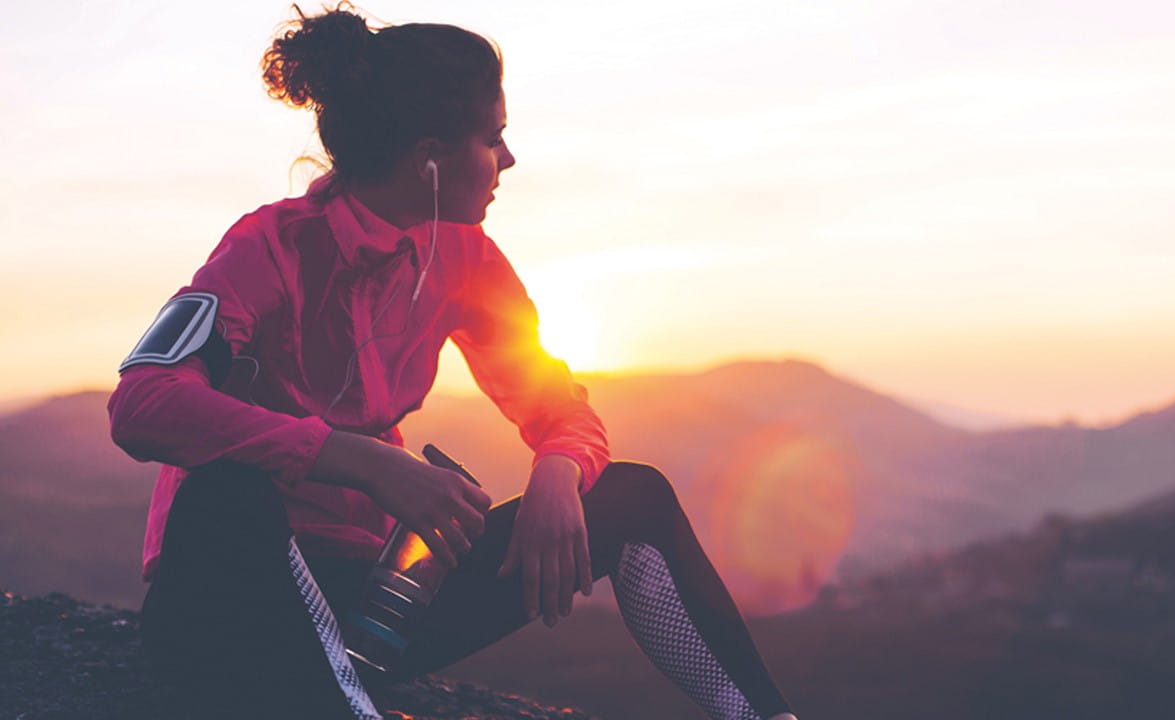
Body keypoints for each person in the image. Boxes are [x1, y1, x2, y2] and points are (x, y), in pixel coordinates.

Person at [107, 6, 798, 720]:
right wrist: (361, 461)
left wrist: (560, 467)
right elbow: (142, 404)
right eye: (493, 138)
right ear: (429, 158)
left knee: (634, 496)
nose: (509, 159)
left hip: (374, 607)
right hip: (233, 607)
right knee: (227, 489)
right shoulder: (267, 247)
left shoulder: (465, 258)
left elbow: (557, 402)